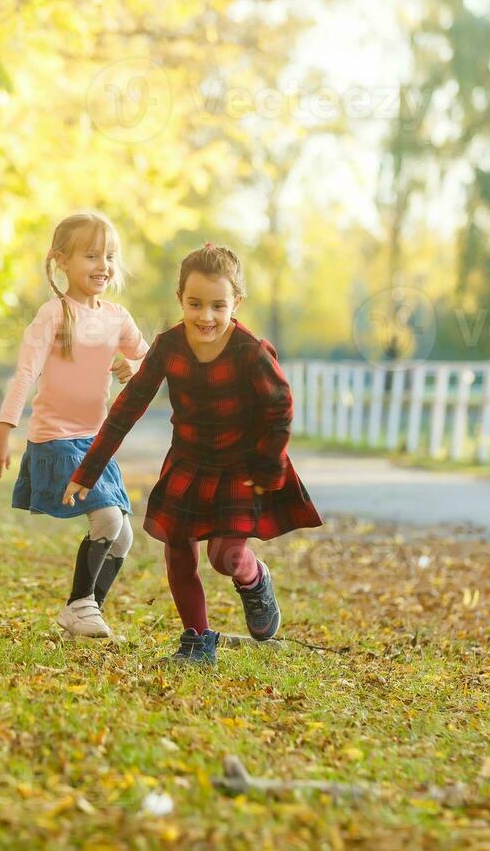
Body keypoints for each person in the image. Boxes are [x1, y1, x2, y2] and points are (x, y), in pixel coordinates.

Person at [63, 243, 322, 665]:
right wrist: (88, 470)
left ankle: (255, 581)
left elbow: (279, 406)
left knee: (226, 556)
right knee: (177, 548)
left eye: (218, 305)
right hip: (188, 461)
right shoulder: (168, 346)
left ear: (235, 302)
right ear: (180, 299)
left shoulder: (250, 351)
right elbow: (128, 407)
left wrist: (269, 461)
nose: (206, 316)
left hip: (241, 464)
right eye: (195, 303)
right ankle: (197, 641)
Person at [0, 211, 148, 638]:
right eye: (91, 255)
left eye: (110, 256)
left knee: (124, 535)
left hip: (96, 442)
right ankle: (79, 605)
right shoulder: (54, 315)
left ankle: (86, 610)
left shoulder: (116, 317)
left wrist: (130, 366)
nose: (103, 266)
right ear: (61, 260)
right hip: (56, 439)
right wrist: (4, 430)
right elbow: (25, 373)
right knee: (108, 521)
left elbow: (150, 360)